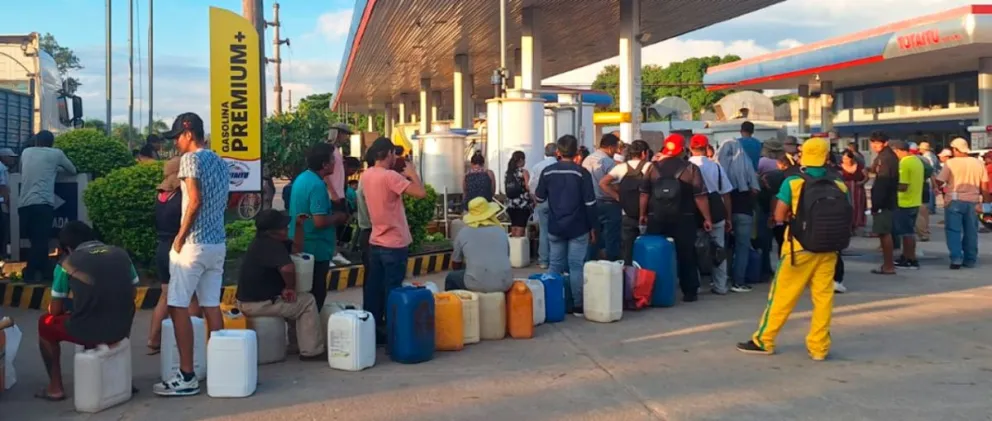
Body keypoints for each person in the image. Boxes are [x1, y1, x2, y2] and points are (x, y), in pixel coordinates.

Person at [736, 137, 845, 361]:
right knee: (823, 298)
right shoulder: (839, 184)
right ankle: (819, 347)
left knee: (782, 296)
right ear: (826, 157)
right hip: (828, 248)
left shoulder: (794, 182)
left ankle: (764, 340)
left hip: (799, 248)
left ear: (803, 156)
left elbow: (779, 216)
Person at [154, 112, 229, 397]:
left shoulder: (189, 160)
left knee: (177, 305)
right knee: (211, 306)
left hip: (194, 244)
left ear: (188, 134)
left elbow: (194, 201)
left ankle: (187, 375)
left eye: (177, 137)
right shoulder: (220, 161)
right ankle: (221, 367)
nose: (176, 143)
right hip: (217, 244)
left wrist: (180, 237)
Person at [37, 221, 138, 401]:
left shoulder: (66, 264)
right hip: (121, 329)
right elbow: (133, 293)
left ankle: (55, 388)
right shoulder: (121, 254)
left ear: (67, 248)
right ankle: (121, 378)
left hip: (88, 329)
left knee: (45, 323)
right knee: (121, 307)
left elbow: (56, 309)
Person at [237, 210, 326, 360]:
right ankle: (312, 351)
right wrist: (290, 287)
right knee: (307, 301)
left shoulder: (266, 242)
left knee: (294, 301)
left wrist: (299, 227)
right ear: (271, 232)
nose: (286, 228)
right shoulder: (270, 246)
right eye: (283, 227)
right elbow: (287, 268)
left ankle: (296, 344)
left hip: (255, 301)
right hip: (257, 304)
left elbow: (297, 249)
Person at [362, 137, 427, 344]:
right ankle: (394, 336)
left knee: (374, 291)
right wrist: (412, 174)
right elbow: (421, 193)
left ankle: (371, 334)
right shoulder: (390, 176)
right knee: (393, 291)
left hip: (376, 241)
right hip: (394, 244)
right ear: (388, 153)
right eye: (394, 153)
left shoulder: (366, 175)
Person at [638, 134, 711, 302]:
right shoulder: (690, 168)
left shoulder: (652, 168)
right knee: (687, 254)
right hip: (684, 218)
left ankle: (654, 291)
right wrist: (707, 218)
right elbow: (700, 196)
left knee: (656, 252)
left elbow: (644, 194)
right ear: (682, 149)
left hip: (656, 217)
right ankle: (690, 292)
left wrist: (642, 214)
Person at [535, 135, 597, 315]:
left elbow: (539, 197)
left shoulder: (548, 172)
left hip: (555, 226)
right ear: (576, 151)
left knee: (555, 265)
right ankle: (578, 305)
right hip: (578, 227)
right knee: (576, 266)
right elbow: (590, 204)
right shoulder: (582, 173)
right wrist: (593, 227)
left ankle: (552, 305)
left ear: (558, 152)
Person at [147, 157, 200, 355]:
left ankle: (153, 340)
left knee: (165, 295)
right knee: (192, 296)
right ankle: (193, 343)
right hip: (178, 247)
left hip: (161, 248)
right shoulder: (182, 196)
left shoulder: (160, 195)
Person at [288, 143, 349, 311]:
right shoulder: (317, 185)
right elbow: (319, 221)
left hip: (302, 243)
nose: (336, 163)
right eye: (333, 160)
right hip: (316, 248)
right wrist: (338, 217)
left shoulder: (302, 178)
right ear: (325, 164)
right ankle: (312, 326)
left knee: (304, 295)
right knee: (316, 296)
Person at [18, 130, 77, 283]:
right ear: (52, 143)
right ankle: (30, 274)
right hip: (42, 204)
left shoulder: (26, 152)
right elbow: (72, 170)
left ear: (36, 141)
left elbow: (22, 169)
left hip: (24, 205)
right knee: (41, 241)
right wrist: (54, 168)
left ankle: (45, 273)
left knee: (36, 241)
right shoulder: (56, 154)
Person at [688, 135, 733, 294]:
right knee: (718, 249)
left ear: (690, 148)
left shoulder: (686, 167)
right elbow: (726, 194)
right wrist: (728, 217)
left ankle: (696, 285)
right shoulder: (716, 167)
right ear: (707, 148)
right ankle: (720, 285)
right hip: (715, 209)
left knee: (692, 249)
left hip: (693, 210)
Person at [935, 138, 989, 269]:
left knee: (953, 231)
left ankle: (956, 258)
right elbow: (985, 186)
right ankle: (970, 259)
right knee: (971, 231)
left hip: (954, 200)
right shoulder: (978, 163)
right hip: (973, 201)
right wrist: (986, 206)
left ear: (955, 149)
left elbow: (939, 181)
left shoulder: (951, 163)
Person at [717, 138, 760, 293]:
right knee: (742, 247)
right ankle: (738, 281)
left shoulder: (717, 167)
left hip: (721, 212)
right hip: (743, 210)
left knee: (722, 247)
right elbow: (755, 189)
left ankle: (720, 280)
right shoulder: (746, 164)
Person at [599, 139, 651, 265]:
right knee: (648, 248)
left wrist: (618, 197)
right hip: (647, 214)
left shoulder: (621, 168)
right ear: (644, 153)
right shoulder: (650, 167)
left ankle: (628, 273)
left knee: (627, 249)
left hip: (626, 213)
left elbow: (603, 183)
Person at [445, 198, 514, 293]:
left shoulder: (463, 233)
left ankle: (458, 301)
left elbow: (456, 263)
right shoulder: (501, 231)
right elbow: (506, 256)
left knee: (451, 278)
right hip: (505, 282)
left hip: (476, 284)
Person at [582, 133, 622, 261]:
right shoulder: (609, 162)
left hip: (591, 203)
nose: (616, 151)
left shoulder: (587, 160)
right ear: (610, 148)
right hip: (609, 203)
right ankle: (611, 263)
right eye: (616, 148)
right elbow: (615, 185)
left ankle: (590, 263)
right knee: (611, 237)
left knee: (593, 235)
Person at [868, 131, 899, 275]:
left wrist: (876, 205)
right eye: (873, 143)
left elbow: (883, 183)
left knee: (884, 233)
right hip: (888, 199)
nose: (875, 146)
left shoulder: (885, 158)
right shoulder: (889, 156)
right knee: (884, 232)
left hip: (884, 201)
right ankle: (888, 264)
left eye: (878, 143)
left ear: (885, 143)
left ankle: (888, 265)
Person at [326, 123, 354, 266]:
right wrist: (332, 192)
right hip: (332, 194)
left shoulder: (336, 149)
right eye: (345, 134)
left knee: (337, 226)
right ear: (338, 133)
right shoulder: (329, 149)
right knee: (329, 225)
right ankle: (329, 254)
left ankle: (334, 252)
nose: (346, 137)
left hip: (339, 192)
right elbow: (325, 172)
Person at [530, 143, 558, 269]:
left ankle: (543, 260)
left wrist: (535, 199)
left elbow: (531, 185)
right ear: (557, 152)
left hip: (541, 201)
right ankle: (556, 259)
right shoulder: (558, 166)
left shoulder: (537, 166)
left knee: (543, 230)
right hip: (557, 201)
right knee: (557, 230)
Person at [504, 151, 532, 238]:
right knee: (520, 228)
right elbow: (528, 187)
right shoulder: (523, 172)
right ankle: (519, 245)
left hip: (510, 204)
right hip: (522, 204)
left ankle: (513, 245)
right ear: (521, 160)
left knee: (514, 227)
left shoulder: (508, 172)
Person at [840, 150, 867, 234]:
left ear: (852, 158)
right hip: (845, 189)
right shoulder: (839, 167)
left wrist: (861, 182)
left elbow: (866, 177)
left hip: (857, 190)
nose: (845, 161)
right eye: (843, 159)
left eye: (847, 159)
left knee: (857, 206)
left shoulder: (859, 166)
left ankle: (856, 224)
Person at [0, 148, 16, 258]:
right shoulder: (2, 168)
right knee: (3, 231)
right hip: (1, 204)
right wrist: (8, 204)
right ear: (4, 157)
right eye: (11, 157)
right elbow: (3, 187)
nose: (13, 160)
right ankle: (2, 254)